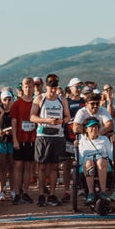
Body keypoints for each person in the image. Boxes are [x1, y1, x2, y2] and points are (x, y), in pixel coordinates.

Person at [30, 73, 70, 207]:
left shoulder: (62, 100)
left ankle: (52, 194)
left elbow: (68, 117)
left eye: (55, 87)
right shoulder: (39, 99)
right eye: (50, 87)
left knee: (54, 167)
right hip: (43, 136)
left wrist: (60, 121)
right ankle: (41, 194)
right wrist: (46, 120)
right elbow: (32, 117)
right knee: (41, 166)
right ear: (46, 86)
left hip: (57, 136)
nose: (53, 90)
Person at [9, 77, 37, 204]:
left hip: (32, 139)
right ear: (22, 88)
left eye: (30, 86)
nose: (28, 89)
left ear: (33, 88)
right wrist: (15, 139)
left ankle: (25, 191)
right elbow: (14, 123)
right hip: (20, 139)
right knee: (18, 165)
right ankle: (17, 192)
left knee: (28, 166)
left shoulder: (36, 103)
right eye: (26, 86)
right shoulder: (16, 104)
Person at [77, 117, 113, 204]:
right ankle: (90, 193)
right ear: (86, 129)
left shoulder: (104, 139)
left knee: (101, 161)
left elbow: (111, 155)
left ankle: (103, 192)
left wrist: (113, 143)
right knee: (89, 163)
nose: (94, 129)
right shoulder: (82, 141)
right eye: (91, 127)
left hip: (102, 162)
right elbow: (80, 159)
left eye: (96, 127)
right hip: (88, 163)